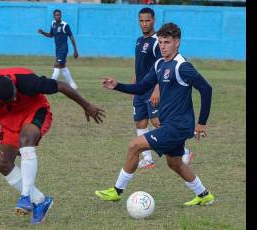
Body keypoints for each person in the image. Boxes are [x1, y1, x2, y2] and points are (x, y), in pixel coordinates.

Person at [95, 23, 214, 206]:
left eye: (167, 42)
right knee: (175, 163)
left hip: (178, 126)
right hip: (170, 124)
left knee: (134, 146)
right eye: (160, 42)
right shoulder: (159, 64)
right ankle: (204, 195)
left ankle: (117, 191)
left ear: (177, 43)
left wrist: (201, 123)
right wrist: (117, 85)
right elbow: (142, 86)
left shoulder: (182, 66)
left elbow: (206, 89)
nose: (162, 46)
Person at [0, 67, 105, 224]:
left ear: (14, 85)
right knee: (2, 162)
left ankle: (25, 195)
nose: (14, 100)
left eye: (14, 95)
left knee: (25, 140)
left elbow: (61, 86)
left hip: (34, 111)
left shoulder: (27, 81)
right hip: (9, 121)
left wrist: (87, 105)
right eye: (9, 100)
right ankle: (40, 201)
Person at [133, 7, 193, 169]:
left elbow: (164, 66)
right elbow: (139, 64)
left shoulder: (157, 42)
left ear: (153, 20)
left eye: (147, 20)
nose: (144, 24)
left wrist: (157, 89)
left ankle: (183, 151)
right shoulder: (139, 40)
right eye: (141, 21)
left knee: (157, 121)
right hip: (141, 88)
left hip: (152, 89)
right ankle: (147, 159)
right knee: (140, 121)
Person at [38, 9, 79, 89]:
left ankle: (50, 85)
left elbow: (71, 37)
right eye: (56, 15)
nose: (58, 16)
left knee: (56, 65)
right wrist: (43, 33)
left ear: (61, 16)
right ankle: (73, 85)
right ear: (54, 16)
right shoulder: (53, 24)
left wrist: (75, 50)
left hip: (63, 49)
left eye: (59, 15)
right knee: (63, 67)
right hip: (57, 49)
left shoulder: (65, 25)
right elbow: (51, 35)